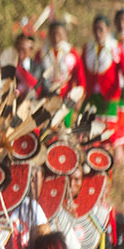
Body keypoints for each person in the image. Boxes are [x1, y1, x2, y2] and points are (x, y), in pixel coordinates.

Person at [83, 15, 124, 151]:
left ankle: (115, 164)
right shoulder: (88, 48)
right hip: (93, 95)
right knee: (93, 128)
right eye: (95, 30)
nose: (98, 33)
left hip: (110, 94)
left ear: (107, 30)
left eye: (101, 30)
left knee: (111, 130)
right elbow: (83, 72)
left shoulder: (115, 47)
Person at [37, 21, 85, 99]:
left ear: (64, 34)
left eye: (59, 34)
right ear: (49, 35)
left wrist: (78, 97)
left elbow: (80, 77)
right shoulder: (41, 53)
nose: (56, 38)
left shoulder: (71, 52)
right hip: (46, 96)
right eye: (53, 34)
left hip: (66, 97)